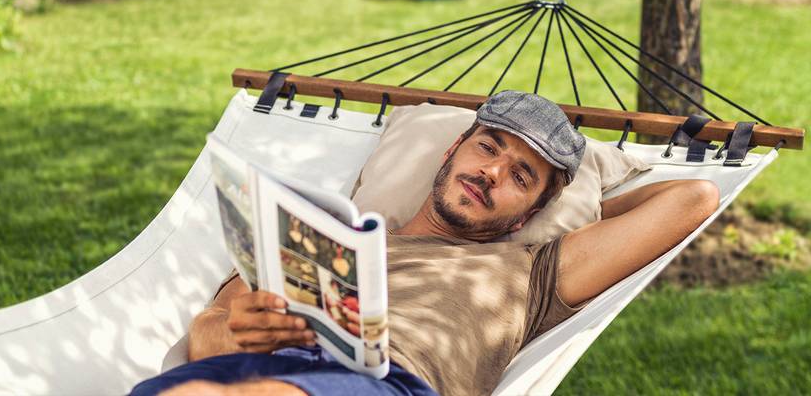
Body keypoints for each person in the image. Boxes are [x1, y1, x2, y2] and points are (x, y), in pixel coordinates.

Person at [132, 91, 719, 396]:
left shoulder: (531, 270)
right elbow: (208, 329)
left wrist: (582, 216)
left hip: (384, 386)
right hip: (245, 370)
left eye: (521, 178)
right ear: (451, 152)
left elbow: (693, 198)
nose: (492, 173)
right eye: (488, 148)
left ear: (529, 214)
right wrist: (231, 328)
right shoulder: (317, 237)